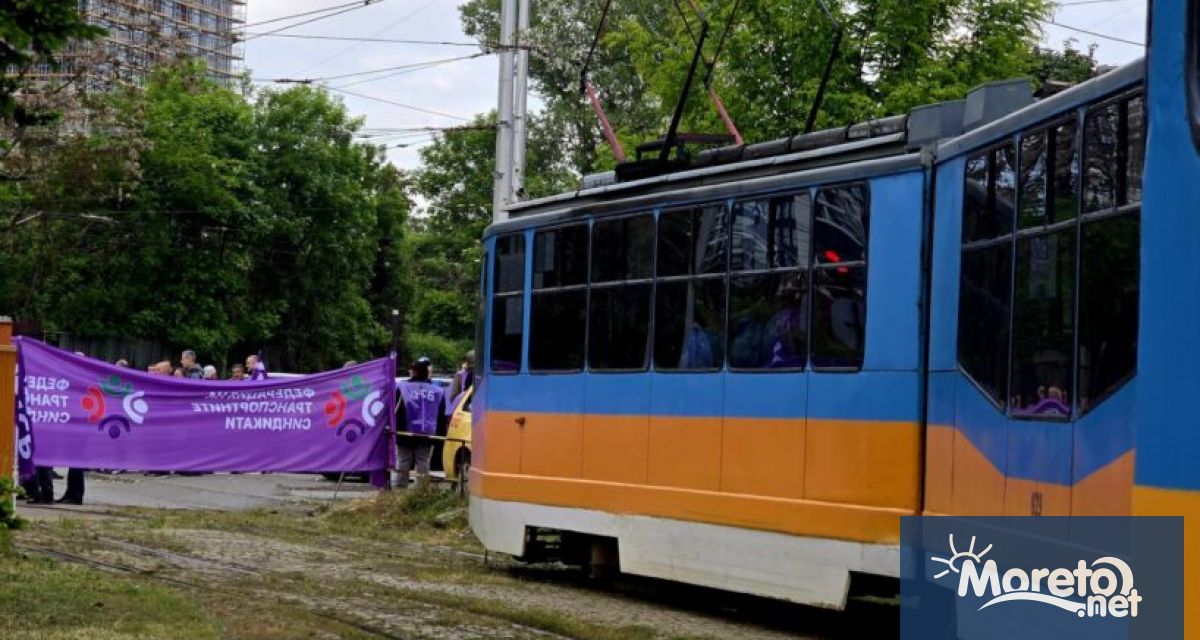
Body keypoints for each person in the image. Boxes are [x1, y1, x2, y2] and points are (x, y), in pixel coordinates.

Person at [395, 359, 448, 489]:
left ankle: (400, 488)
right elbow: (441, 415)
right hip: (427, 432)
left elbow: (395, 410)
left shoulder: (402, 388)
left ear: (415, 372)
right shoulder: (438, 391)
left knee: (403, 460)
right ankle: (422, 490)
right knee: (423, 461)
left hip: (405, 431)